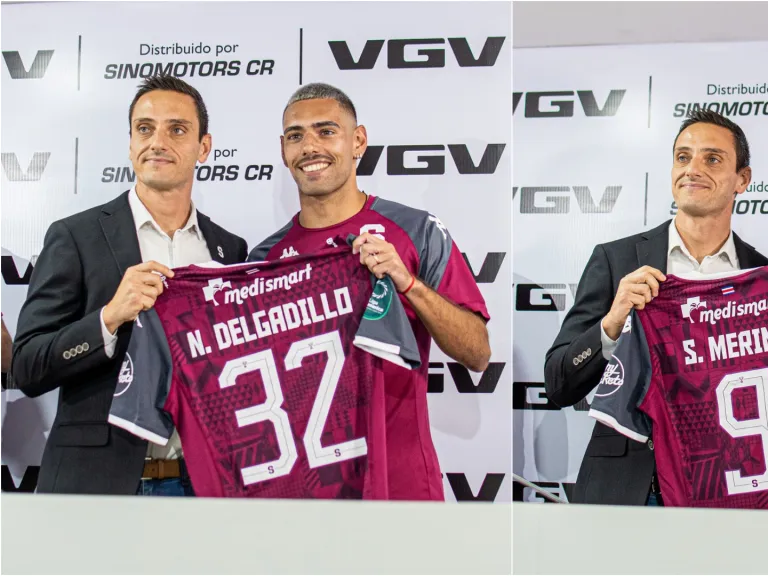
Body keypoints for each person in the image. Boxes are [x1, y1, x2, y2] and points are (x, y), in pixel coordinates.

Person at [247, 83, 491, 501]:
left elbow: (478, 352)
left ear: (357, 140)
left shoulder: (415, 231)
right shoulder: (265, 259)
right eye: (296, 135)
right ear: (283, 149)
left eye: (326, 131)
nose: (309, 146)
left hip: (400, 483)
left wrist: (408, 283)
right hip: (301, 492)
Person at [10, 75, 249, 495]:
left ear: (204, 147)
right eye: (144, 128)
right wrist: (108, 318)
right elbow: (27, 365)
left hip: (202, 488)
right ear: (130, 143)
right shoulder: (75, 236)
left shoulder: (230, 250)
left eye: (177, 129)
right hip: (99, 486)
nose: (157, 141)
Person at [544, 109, 768, 506]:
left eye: (712, 159)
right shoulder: (616, 260)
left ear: (743, 180)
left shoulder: (765, 276)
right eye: (682, 157)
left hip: (728, 490)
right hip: (630, 489)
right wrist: (612, 324)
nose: (692, 169)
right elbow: (558, 383)